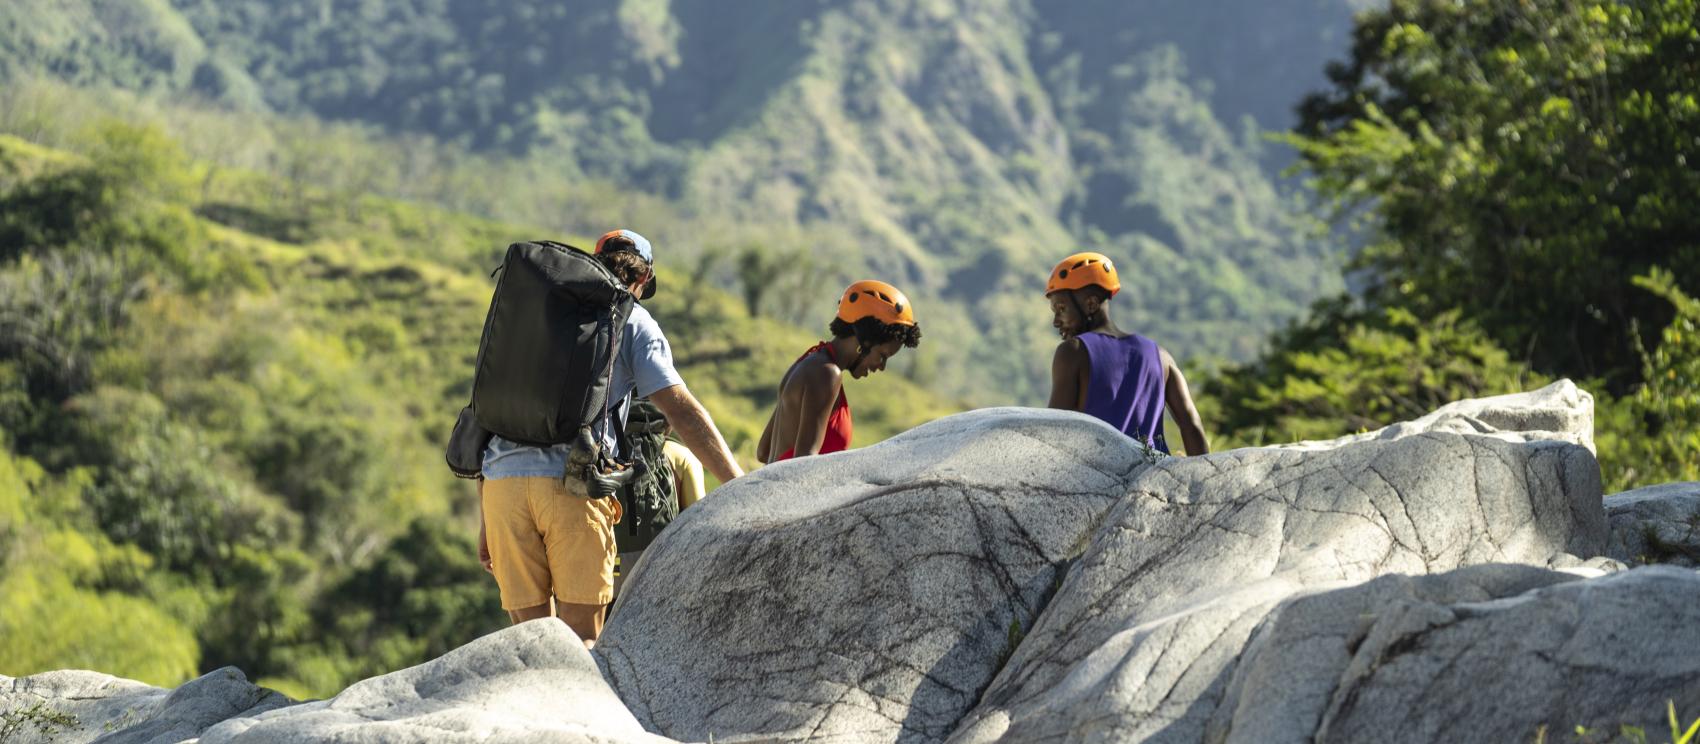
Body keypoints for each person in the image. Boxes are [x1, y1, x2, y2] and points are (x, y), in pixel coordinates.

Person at [476, 229, 744, 646]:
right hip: (572, 487)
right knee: (583, 643)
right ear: (642, 280)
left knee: (529, 643)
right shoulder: (632, 318)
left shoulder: (537, 315)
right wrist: (738, 481)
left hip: (501, 488)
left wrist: (484, 521)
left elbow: (496, 408)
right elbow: (680, 409)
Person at [1044, 251, 1209, 455]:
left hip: (1094, 482)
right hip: (1152, 481)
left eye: (1061, 309)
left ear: (1091, 304)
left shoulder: (1073, 352)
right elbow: (1191, 425)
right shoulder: (1161, 356)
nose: (1056, 321)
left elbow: (1051, 431)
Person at [757, 280, 923, 463]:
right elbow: (802, 466)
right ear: (865, 340)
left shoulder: (809, 362)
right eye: (883, 355)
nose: (881, 367)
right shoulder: (827, 375)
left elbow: (763, 452)